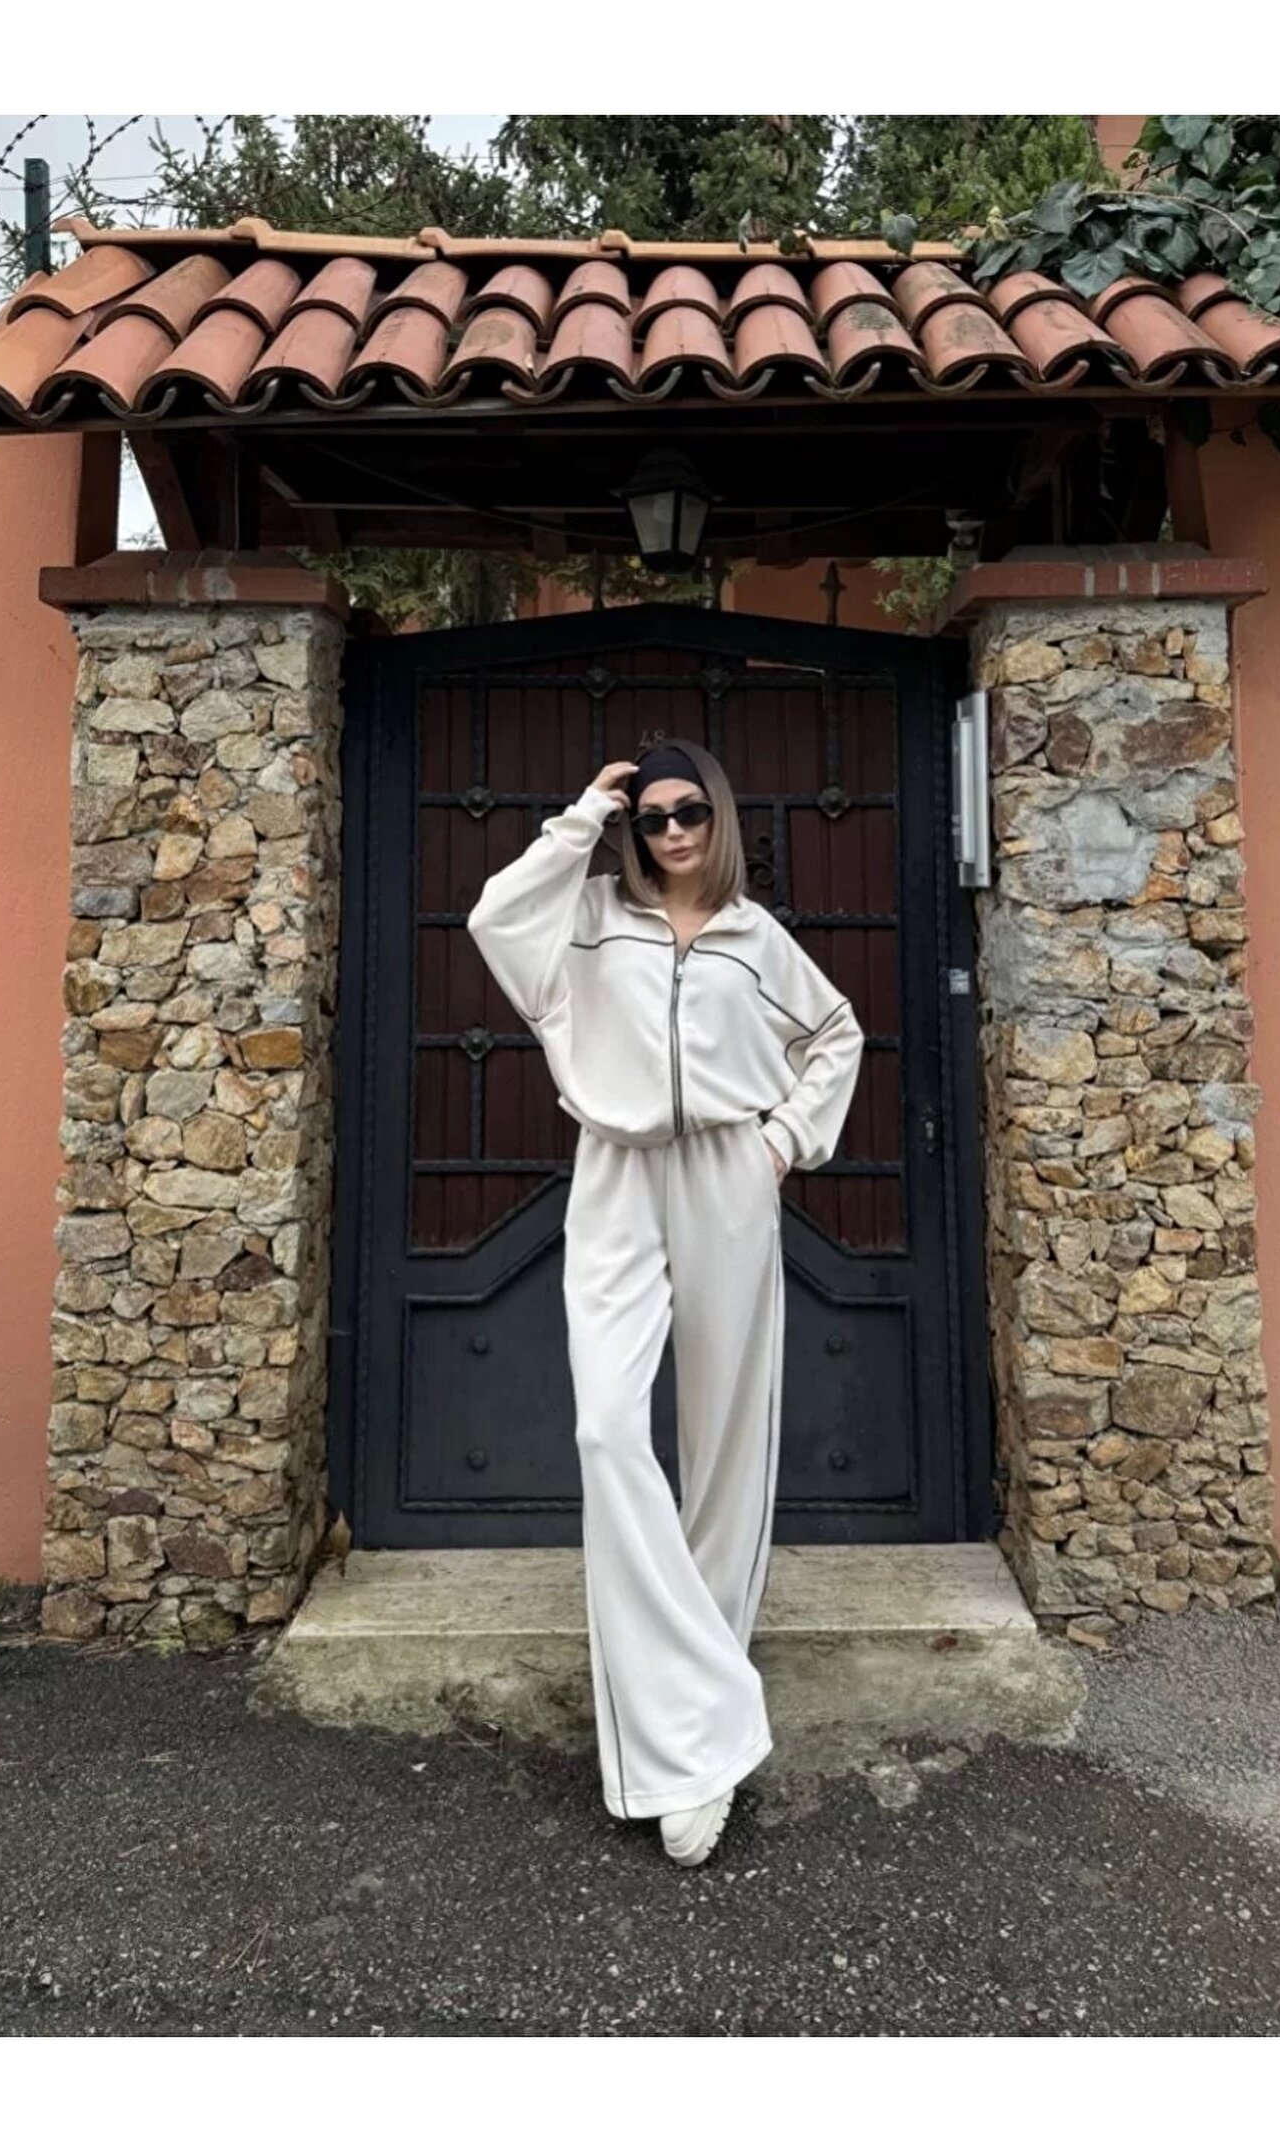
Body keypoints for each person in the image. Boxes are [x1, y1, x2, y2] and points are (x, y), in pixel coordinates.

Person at [466, 737, 865, 1865]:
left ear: (719, 818)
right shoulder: (588, 920)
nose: (674, 831)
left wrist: (784, 1142)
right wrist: (581, 817)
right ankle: (698, 1715)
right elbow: (495, 917)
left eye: (690, 812)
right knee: (606, 1429)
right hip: (616, 1172)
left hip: (731, 1175)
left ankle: (695, 1738)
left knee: (728, 1445)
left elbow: (836, 1035)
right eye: (653, 817)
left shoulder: (756, 937)